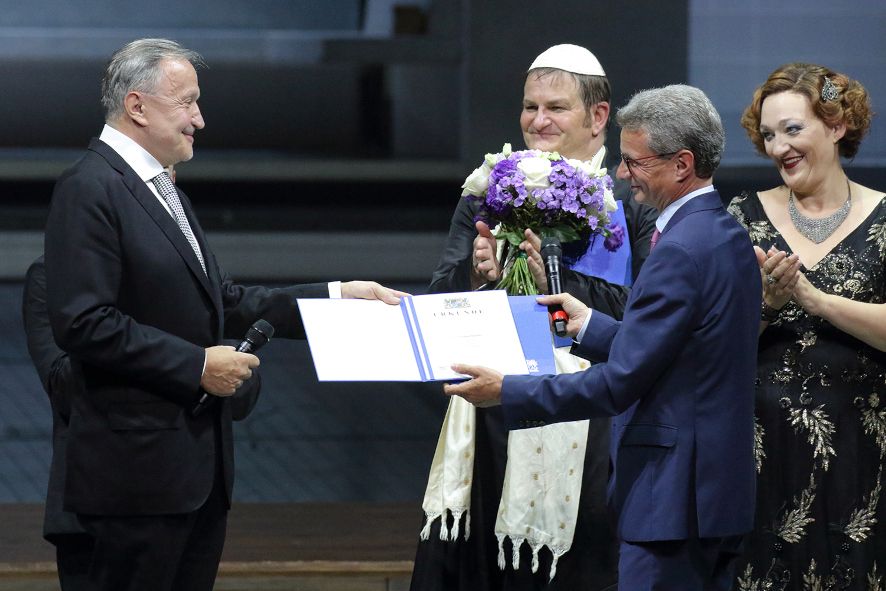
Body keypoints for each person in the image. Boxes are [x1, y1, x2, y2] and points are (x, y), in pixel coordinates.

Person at [42, 38, 405, 591]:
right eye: (186, 103)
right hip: (137, 484)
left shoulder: (159, 188)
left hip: (191, 479)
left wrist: (335, 296)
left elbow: (224, 302)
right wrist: (195, 365)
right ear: (137, 107)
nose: (200, 120)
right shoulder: (90, 187)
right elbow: (84, 322)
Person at [445, 85, 761, 590]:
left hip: (672, 501)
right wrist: (588, 324)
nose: (620, 173)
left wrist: (507, 391)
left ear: (682, 165)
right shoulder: (723, 232)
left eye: (634, 162)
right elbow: (680, 353)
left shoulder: (679, 249)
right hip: (711, 497)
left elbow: (618, 384)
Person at [413, 44, 657, 591]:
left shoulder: (632, 199)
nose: (538, 121)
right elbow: (438, 303)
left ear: (598, 117)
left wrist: (556, 284)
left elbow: (643, 318)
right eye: (530, 107)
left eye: (556, 107)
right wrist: (479, 277)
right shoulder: (486, 191)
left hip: (594, 422)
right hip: (491, 413)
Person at [727, 63, 886, 590]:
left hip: (865, 462)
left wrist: (816, 301)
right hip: (759, 458)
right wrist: (768, 308)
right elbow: (711, 343)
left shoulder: (884, 219)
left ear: (837, 125)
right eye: (769, 135)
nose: (778, 148)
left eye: (793, 130)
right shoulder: (739, 217)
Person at [22, 255, 262, 590]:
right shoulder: (57, 272)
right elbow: (64, 388)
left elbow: (239, 395)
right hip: (102, 511)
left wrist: (221, 371)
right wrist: (162, 344)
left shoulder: (193, 267)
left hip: (197, 504)